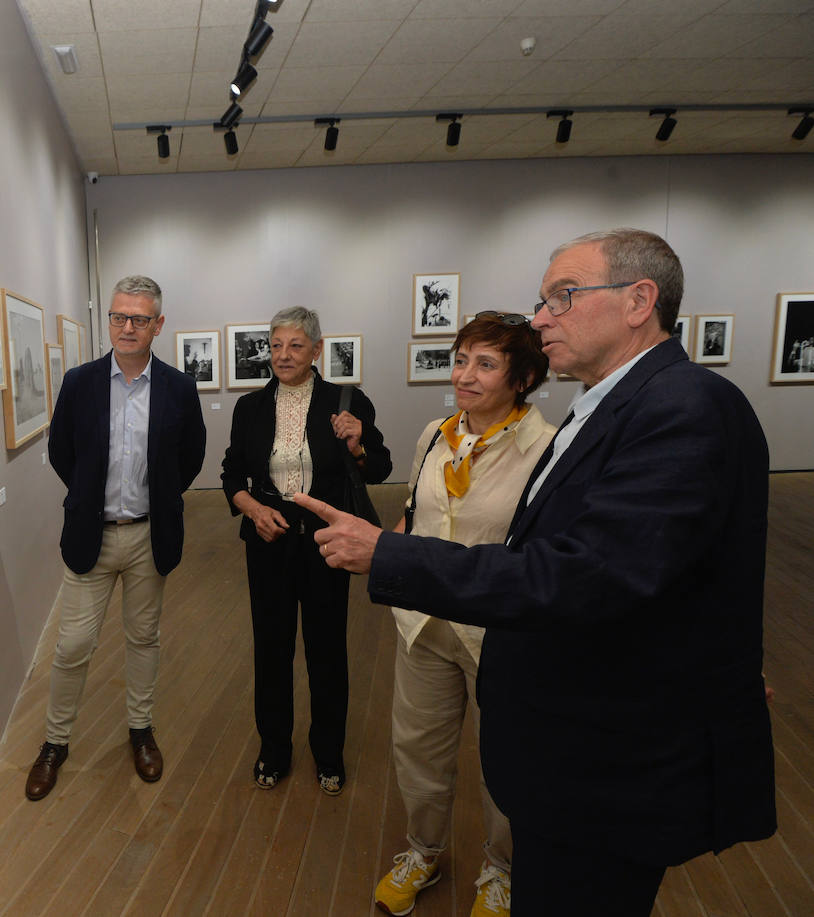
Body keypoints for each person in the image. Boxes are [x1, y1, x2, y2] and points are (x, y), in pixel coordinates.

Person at [296, 229, 776, 915]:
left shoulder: (681, 406)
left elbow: (588, 574)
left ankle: (499, 866)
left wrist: (390, 555)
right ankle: (430, 852)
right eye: (544, 300)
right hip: (552, 721)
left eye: (564, 296)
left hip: (610, 762)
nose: (544, 316)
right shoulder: (606, 408)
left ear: (640, 300)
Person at [373, 313, 553, 916]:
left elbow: (545, 554)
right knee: (418, 748)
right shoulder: (434, 435)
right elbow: (414, 514)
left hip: (499, 631)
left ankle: (501, 869)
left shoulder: (546, 449)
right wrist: (384, 556)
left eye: (485, 364)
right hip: (424, 624)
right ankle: (422, 852)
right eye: (460, 359)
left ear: (523, 377)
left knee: (506, 757)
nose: (464, 376)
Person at [25, 275, 206, 802]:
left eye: (139, 319)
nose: (127, 327)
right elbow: (63, 453)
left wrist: (161, 498)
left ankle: (140, 729)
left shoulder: (178, 388)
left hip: (150, 537)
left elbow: (189, 458)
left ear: (158, 325)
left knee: (143, 639)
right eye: (118, 317)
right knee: (74, 644)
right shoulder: (80, 383)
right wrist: (87, 497)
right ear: (109, 319)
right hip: (92, 536)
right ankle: (55, 742)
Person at [221, 307, 391, 796]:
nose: (283, 355)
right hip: (268, 539)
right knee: (271, 649)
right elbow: (232, 475)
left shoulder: (348, 401)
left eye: (295, 346)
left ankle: (328, 752)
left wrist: (357, 446)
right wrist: (253, 510)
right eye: (276, 345)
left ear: (317, 350)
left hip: (324, 541)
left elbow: (378, 468)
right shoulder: (249, 408)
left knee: (326, 649)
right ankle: (273, 748)